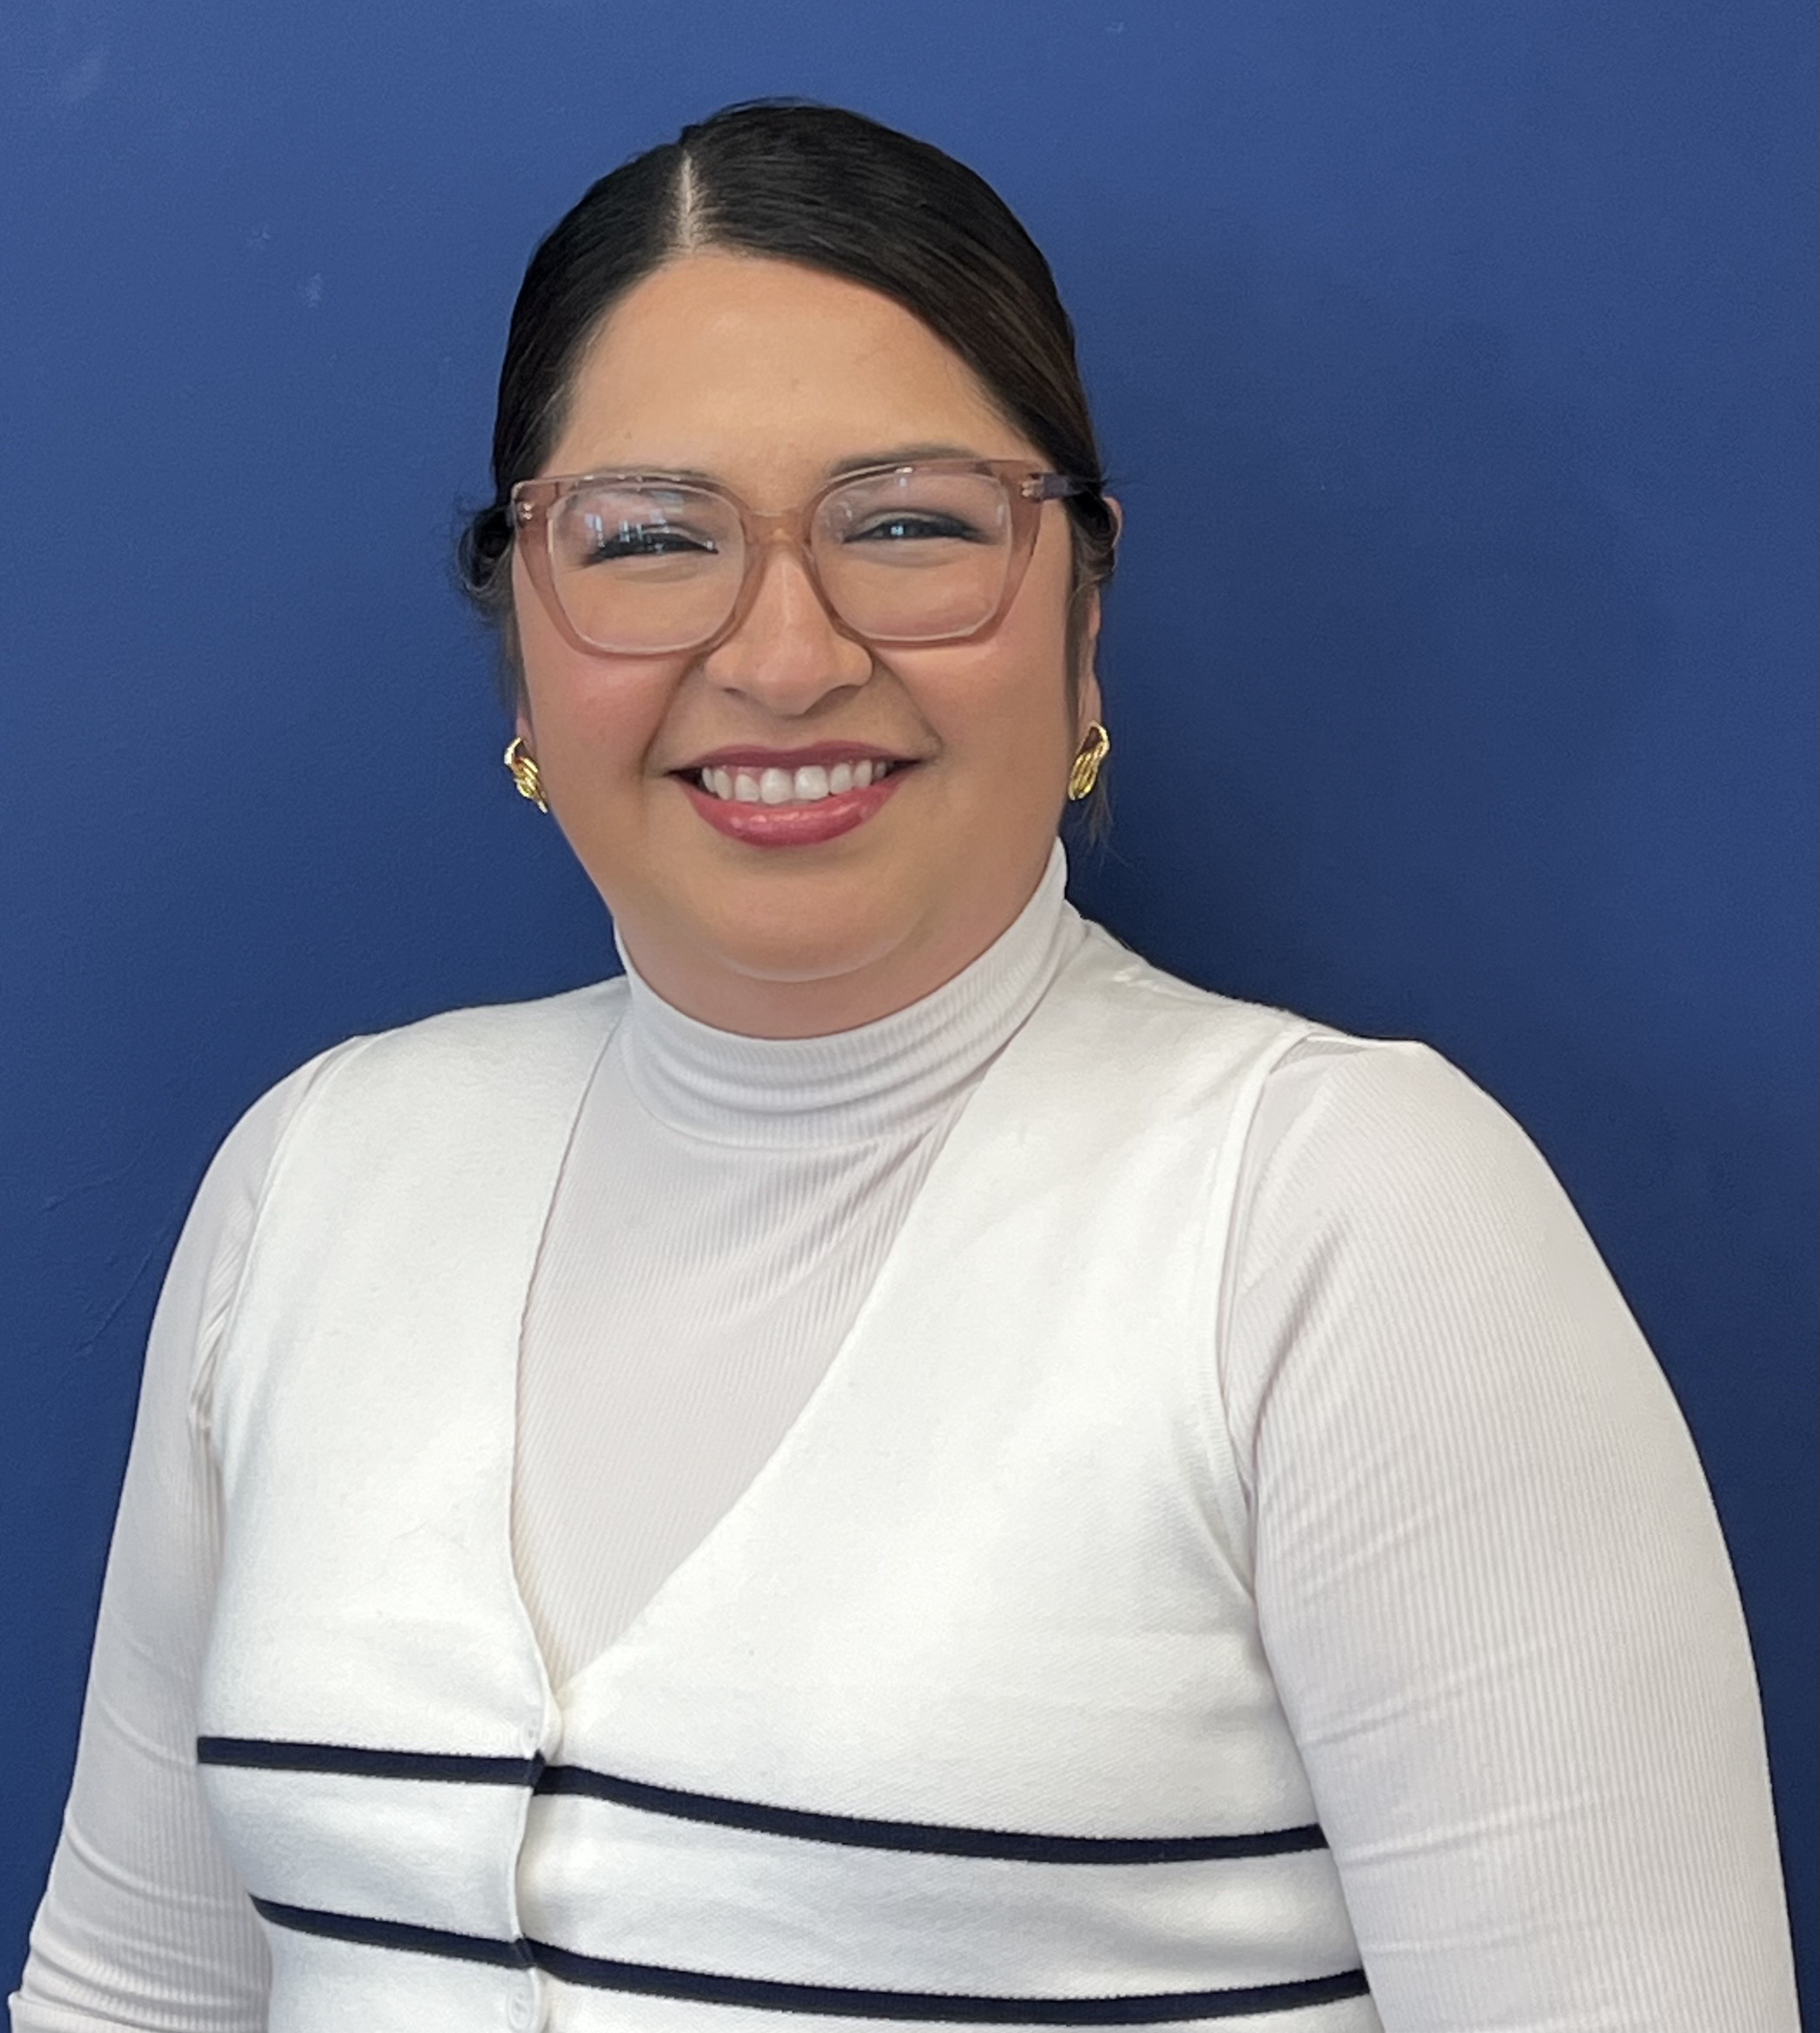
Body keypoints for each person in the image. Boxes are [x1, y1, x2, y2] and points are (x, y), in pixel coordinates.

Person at [10, 101, 1797, 2033]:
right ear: (521, 638)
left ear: (1084, 615)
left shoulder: (1341, 1224)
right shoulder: (319, 1179)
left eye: (910, 526)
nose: (784, 657)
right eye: (651, 539)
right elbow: (130, 1992)